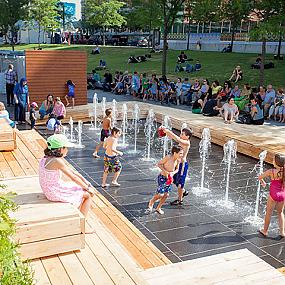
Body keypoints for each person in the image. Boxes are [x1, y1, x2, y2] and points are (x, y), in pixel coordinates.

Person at [39, 134, 95, 217]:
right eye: (66, 147)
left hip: (48, 189)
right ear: (61, 148)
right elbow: (73, 178)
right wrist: (88, 189)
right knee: (87, 195)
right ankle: (82, 222)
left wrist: (85, 182)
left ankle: (77, 215)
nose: (67, 150)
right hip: (53, 192)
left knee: (79, 187)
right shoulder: (57, 161)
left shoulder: (46, 158)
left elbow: (72, 172)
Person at [147, 145, 183, 215]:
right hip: (162, 177)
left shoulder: (178, 160)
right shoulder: (168, 157)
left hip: (169, 179)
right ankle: (151, 201)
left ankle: (158, 207)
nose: (182, 155)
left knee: (166, 195)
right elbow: (159, 164)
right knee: (160, 194)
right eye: (180, 153)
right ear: (175, 153)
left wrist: (173, 173)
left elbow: (177, 169)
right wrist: (165, 171)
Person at [160, 127, 192, 205]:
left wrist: (169, 131)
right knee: (173, 179)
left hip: (182, 165)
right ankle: (183, 192)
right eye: (181, 133)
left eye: (182, 134)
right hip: (177, 164)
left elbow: (177, 139)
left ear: (187, 137)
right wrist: (165, 131)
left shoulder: (187, 143)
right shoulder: (182, 141)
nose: (180, 135)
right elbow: (173, 137)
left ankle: (180, 200)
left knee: (180, 183)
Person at [258, 154, 285, 238]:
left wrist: (263, 181)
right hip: (283, 194)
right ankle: (282, 232)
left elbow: (260, 177)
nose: (272, 161)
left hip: (273, 195)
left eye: (273, 160)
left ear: (276, 163)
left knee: (269, 213)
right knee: (280, 212)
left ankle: (265, 231)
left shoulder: (271, 171)